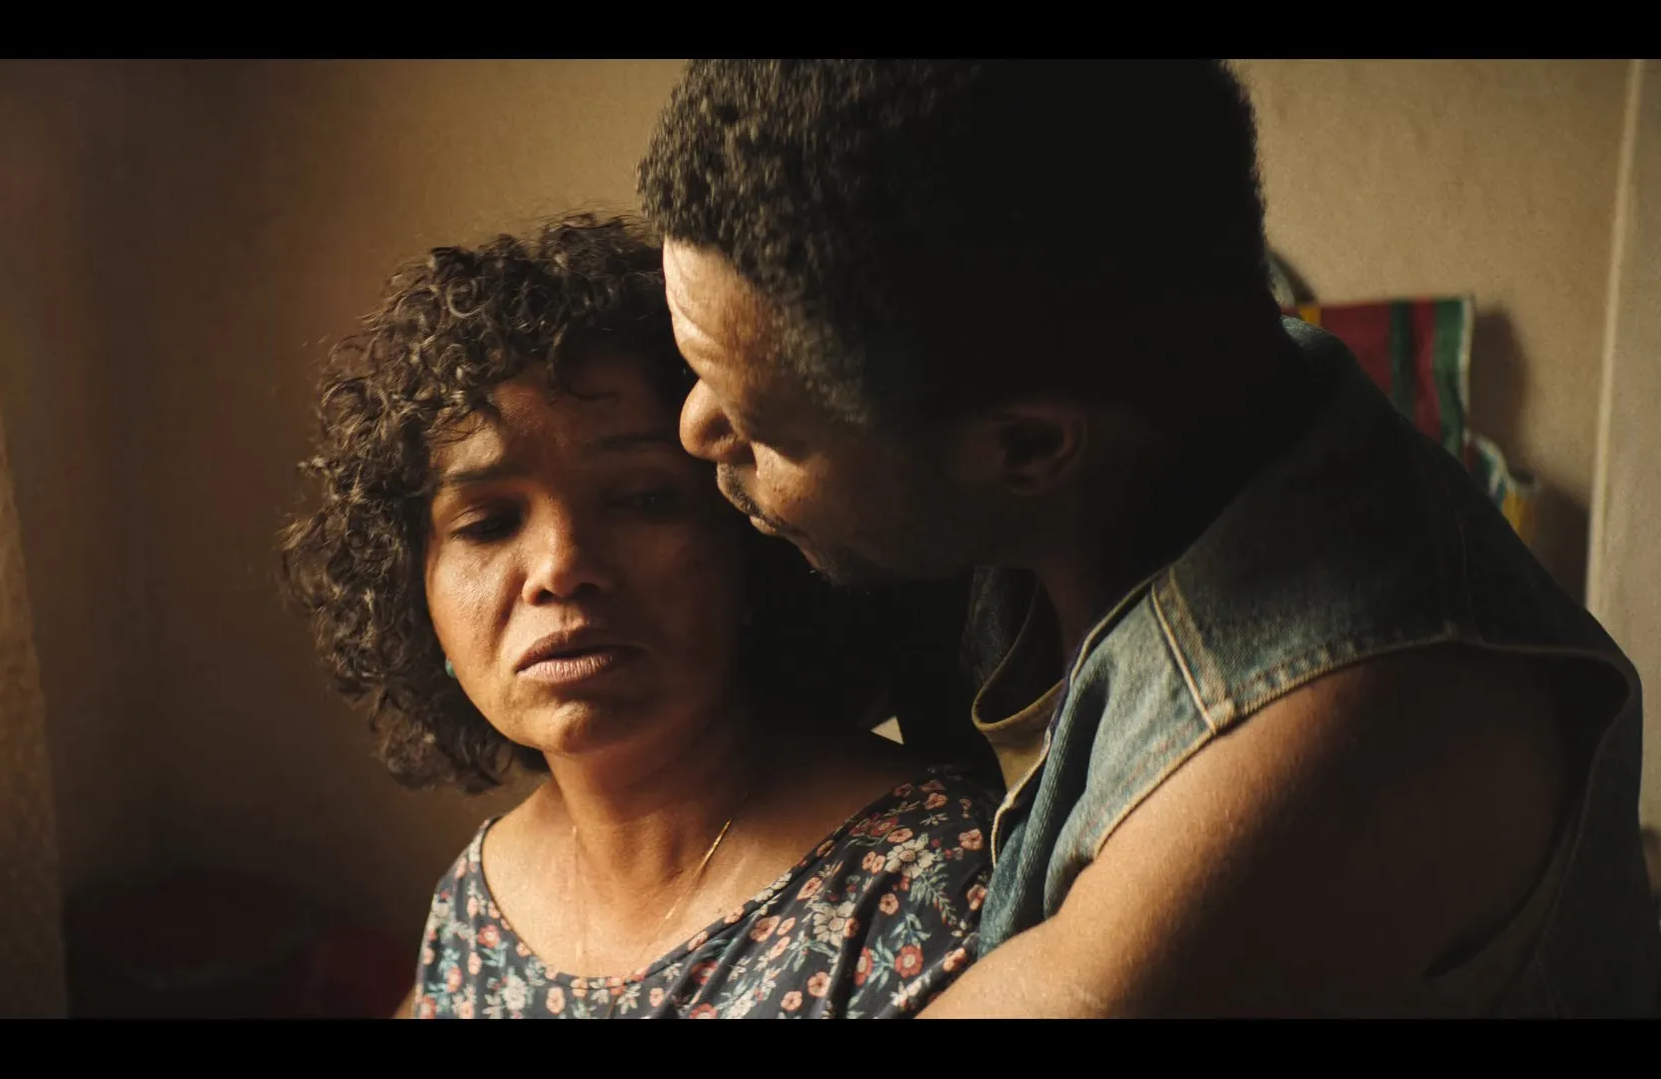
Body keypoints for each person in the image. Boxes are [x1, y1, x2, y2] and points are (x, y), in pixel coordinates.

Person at [637, 59, 1661, 1017]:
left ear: (1029, 446)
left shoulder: (1339, 748)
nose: (694, 430)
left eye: (763, 426)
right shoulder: (1104, 403)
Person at [279, 216, 999, 1019]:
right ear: (417, 603)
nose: (561, 566)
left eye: (642, 501)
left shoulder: (927, 882)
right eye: (488, 523)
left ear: (749, 539)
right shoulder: (479, 897)